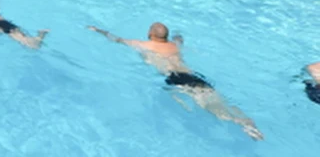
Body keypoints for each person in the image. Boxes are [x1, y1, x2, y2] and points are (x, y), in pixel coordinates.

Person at [87, 23, 262, 140]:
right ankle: (245, 120)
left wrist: (98, 30)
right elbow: (179, 39)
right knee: (218, 100)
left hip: (177, 78)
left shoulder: (144, 44)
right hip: (196, 76)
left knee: (208, 107)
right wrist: (178, 35)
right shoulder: (173, 45)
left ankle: (241, 124)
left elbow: (116, 39)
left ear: (150, 34)